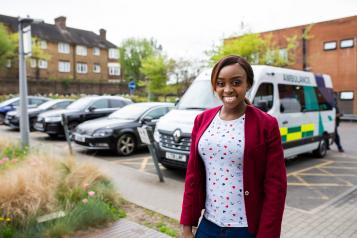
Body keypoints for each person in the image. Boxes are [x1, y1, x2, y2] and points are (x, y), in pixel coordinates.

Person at [180, 55, 287, 238]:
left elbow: (276, 187)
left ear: (248, 84)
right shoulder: (202, 120)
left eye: (236, 82)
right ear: (215, 86)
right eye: (221, 83)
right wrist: (187, 225)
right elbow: (193, 176)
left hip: (245, 229)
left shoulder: (266, 124)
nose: (228, 89)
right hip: (208, 226)